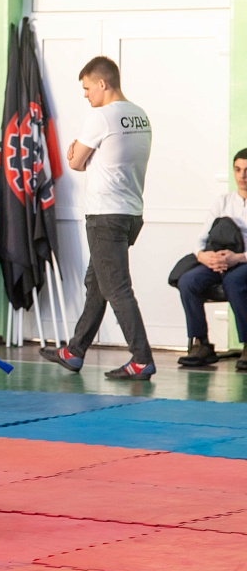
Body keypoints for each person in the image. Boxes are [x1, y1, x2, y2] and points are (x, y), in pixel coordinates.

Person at [40, 56, 154, 380]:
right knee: (97, 283)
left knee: (116, 287)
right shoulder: (140, 115)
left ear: (102, 84)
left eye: (88, 88)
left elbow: (76, 162)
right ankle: (75, 351)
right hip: (130, 213)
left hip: (105, 215)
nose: (85, 95)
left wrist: (77, 151)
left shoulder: (101, 117)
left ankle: (142, 359)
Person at [177, 149, 247, 370]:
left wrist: (239, 257)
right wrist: (203, 256)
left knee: (233, 281)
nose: (242, 176)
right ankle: (202, 344)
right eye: (237, 170)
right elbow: (201, 238)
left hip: (243, 261)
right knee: (188, 281)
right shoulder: (223, 202)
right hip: (218, 259)